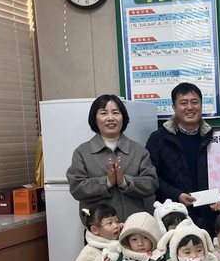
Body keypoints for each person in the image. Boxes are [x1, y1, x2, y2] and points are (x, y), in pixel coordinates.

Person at [67, 94, 158, 225]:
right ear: (94, 119)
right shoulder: (82, 152)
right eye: (104, 113)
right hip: (97, 229)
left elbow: (151, 183)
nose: (110, 118)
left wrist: (125, 182)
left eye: (115, 113)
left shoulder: (138, 150)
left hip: (133, 228)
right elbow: (76, 188)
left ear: (123, 118)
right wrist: (106, 182)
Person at [145, 82, 220, 232]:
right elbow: (151, 177)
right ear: (174, 107)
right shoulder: (158, 139)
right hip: (174, 216)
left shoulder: (215, 137)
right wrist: (177, 195)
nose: (190, 107)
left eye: (195, 102)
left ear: (201, 105)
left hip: (211, 214)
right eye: (184, 103)